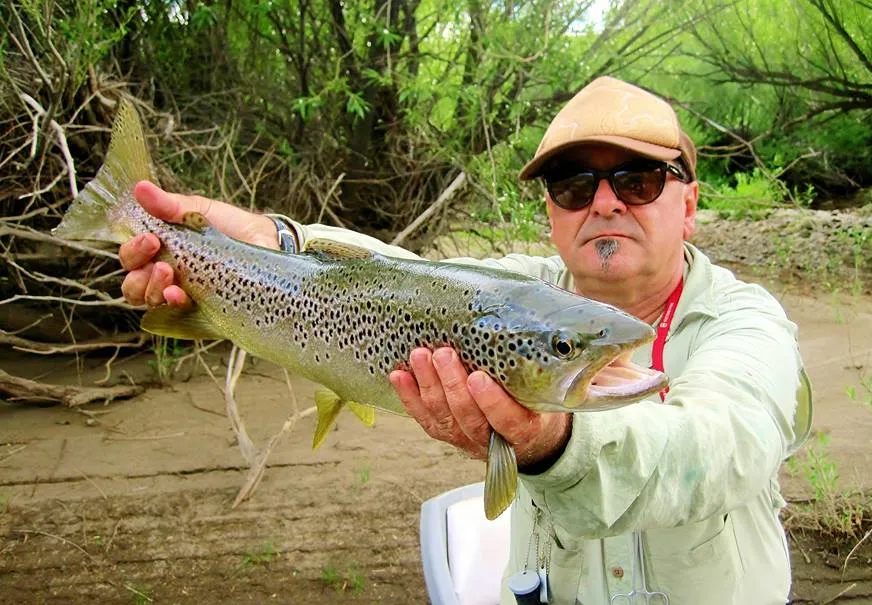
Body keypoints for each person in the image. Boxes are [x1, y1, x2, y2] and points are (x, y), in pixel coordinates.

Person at [118, 76, 811, 604]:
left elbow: (718, 446)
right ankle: (114, 205)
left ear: (687, 203)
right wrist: (274, 241)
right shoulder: (512, 290)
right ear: (551, 212)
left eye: (637, 179)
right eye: (574, 185)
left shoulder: (746, 324)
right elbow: (400, 278)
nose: (605, 202)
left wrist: (555, 443)